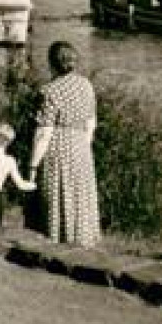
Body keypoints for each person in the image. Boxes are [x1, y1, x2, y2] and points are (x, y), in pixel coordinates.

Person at [27, 41, 102, 247]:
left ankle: (58, 240)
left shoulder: (49, 91)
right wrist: (84, 146)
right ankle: (80, 239)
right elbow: (91, 123)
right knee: (78, 195)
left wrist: (33, 164)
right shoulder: (86, 85)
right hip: (81, 145)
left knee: (58, 194)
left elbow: (44, 132)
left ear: (51, 63)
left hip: (58, 145)